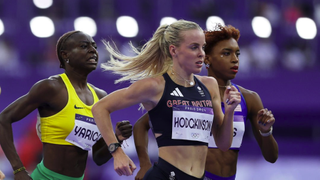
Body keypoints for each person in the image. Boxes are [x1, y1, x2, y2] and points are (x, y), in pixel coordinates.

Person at [92, 19, 241, 180]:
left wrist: (230, 110)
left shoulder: (209, 85)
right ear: (174, 50)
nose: (201, 53)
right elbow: (99, 108)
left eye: (203, 47)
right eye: (194, 47)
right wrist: (117, 152)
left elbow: (224, 144)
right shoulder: (155, 86)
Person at [133, 24, 279, 180]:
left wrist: (265, 131)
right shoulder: (186, 91)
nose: (235, 60)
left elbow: (271, 158)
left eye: (237, 53)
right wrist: (144, 164)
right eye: (226, 53)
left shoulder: (248, 98)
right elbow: (141, 125)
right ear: (207, 58)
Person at [0, 31, 133, 180]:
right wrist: (18, 170)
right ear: (65, 55)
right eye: (84, 46)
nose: (93, 51)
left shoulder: (100, 97)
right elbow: (3, 118)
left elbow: (98, 157)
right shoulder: (52, 88)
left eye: (94, 46)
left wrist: (118, 138)